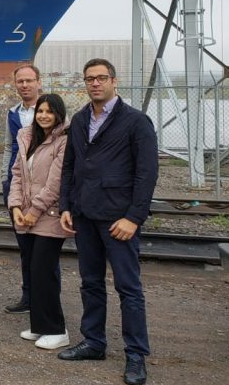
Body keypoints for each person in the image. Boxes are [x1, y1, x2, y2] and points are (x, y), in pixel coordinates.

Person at [57, 59, 157, 385]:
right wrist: (66, 206)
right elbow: (69, 167)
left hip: (118, 220)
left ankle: (136, 355)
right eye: (89, 79)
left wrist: (133, 217)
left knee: (128, 288)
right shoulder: (81, 119)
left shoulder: (136, 122)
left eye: (101, 78)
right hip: (84, 216)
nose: (95, 83)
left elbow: (146, 174)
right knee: (90, 282)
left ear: (114, 81)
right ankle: (94, 342)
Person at [8, 93, 72, 350]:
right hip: (26, 213)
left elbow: (56, 182)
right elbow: (16, 173)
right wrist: (14, 206)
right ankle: (40, 326)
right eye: (40, 111)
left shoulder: (64, 140)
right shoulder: (27, 137)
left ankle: (57, 330)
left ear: (59, 114)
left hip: (49, 215)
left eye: (49, 111)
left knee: (44, 272)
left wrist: (35, 210)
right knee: (34, 271)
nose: (44, 115)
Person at [2, 64, 43, 314]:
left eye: (29, 80)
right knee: (25, 246)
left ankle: (45, 298)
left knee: (44, 248)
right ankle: (28, 296)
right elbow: (9, 147)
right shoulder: (12, 113)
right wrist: (4, 180)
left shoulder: (51, 110)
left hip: (42, 187)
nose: (25, 85)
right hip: (16, 185)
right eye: (20, 81)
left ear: (39, 82)